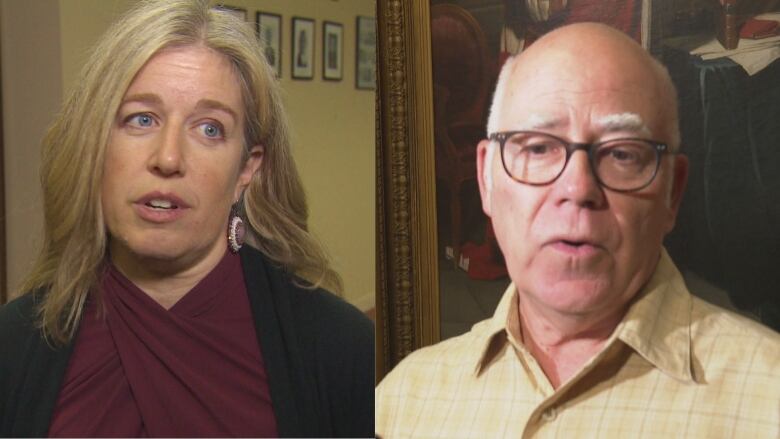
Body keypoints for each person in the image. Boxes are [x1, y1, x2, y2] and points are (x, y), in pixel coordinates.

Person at [376, 22, 780, 438]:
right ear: (486, 180)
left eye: (622, 154)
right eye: (537, 147)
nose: (578, 188)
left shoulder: (769, 401)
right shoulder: (402, 402)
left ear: (672, 193)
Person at [0, 0, 373, 437]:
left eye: (209, 128)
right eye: (141, 119)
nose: (169, 157)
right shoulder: (13, 345)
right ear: (96, 144)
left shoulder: (339, 347)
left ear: (247, 168)